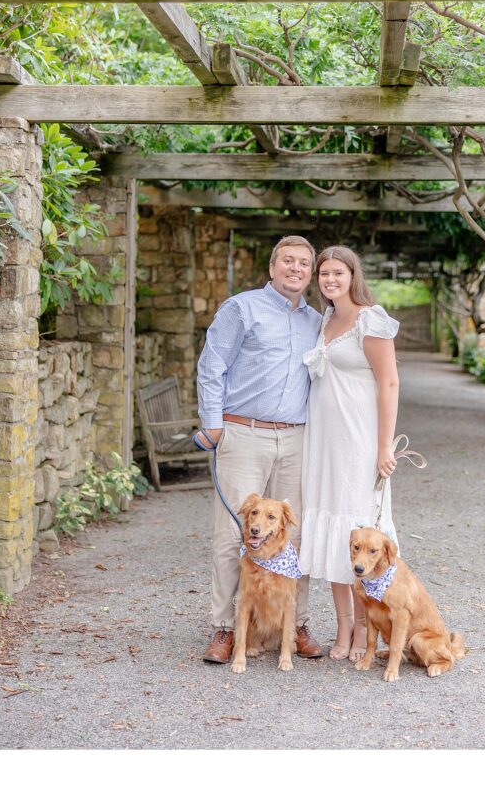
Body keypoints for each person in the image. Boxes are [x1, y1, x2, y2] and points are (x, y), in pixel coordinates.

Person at [197, 235, 324, 664]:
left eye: (304, 263)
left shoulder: (316, 321)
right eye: (288, 260)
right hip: (243, 432)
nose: (296, 268)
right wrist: (213, 424)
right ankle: (226, 628)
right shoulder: (241, 308)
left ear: (311, 273)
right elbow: (212, 364)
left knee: (294, 531)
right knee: (232, 531)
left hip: (296, 437)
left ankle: (297, 622)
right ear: (272, 268)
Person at [298, 246, 400, 662]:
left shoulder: (369, 319)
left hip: (359, 441)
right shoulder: (325, 317)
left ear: (353, 275)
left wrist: (384, 446)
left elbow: (389, 383)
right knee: (335, 537)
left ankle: (365, 632)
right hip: (323, 443)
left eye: (338, 272)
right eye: (323, 273)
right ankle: (342, 626)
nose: (329, 279)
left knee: (359, 536)